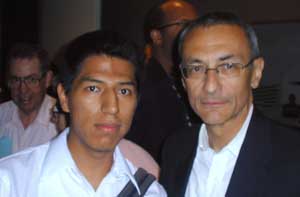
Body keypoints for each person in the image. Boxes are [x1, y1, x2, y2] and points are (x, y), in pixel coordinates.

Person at [0, 30, 167, 196]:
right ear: (64, 97)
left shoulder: (150, 192)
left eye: (124, 91)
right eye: (93, 89)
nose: (111, 107)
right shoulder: (11, 182)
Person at [159, 12, 300, 197]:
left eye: (228, 67)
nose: (210, 86)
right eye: (196, 68)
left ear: (256, 73)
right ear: (183, 80)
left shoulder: (293, 156)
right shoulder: (175, 148)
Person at [126, 0, 200, 162]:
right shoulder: (139, 86)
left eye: (196, 24)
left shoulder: (194, 80)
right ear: (157, 36)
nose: (193, 31)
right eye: (184, 24)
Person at [0, 43, 57, 154]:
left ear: (48, 79)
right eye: (16, 80)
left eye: (31, 80)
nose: (23, 90)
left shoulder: (63, 122)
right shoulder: (2, 114)